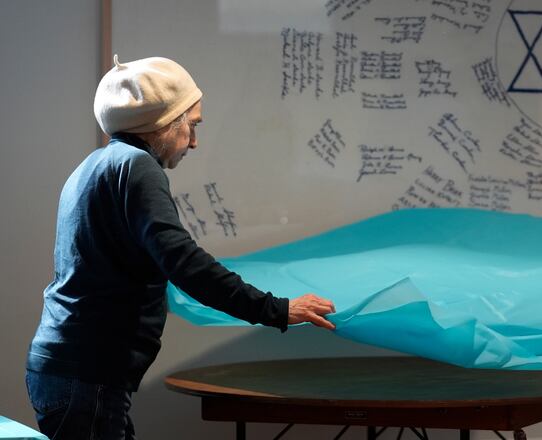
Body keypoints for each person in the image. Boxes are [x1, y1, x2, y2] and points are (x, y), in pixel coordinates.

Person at [25, 55, 336, 440]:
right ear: (161, 123)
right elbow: (184, 262)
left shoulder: (95, 165)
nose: (194, 141)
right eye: (191, 125)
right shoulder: (137, 167)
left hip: (70, 369)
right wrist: (278, 309)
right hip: (88, 376)